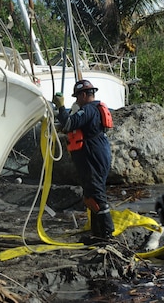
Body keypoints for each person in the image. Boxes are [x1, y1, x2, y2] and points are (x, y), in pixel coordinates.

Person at [53, 79, 115, 241]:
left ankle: (107, 234)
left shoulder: (88, 110)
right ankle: (97, 233)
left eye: (77, 97)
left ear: (84, 95)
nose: (76, 101)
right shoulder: (92, 110)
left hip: (93, 155)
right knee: (91, 196)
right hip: (95, 153)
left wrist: (60, 106)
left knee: (97, 194)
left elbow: (68, 123)